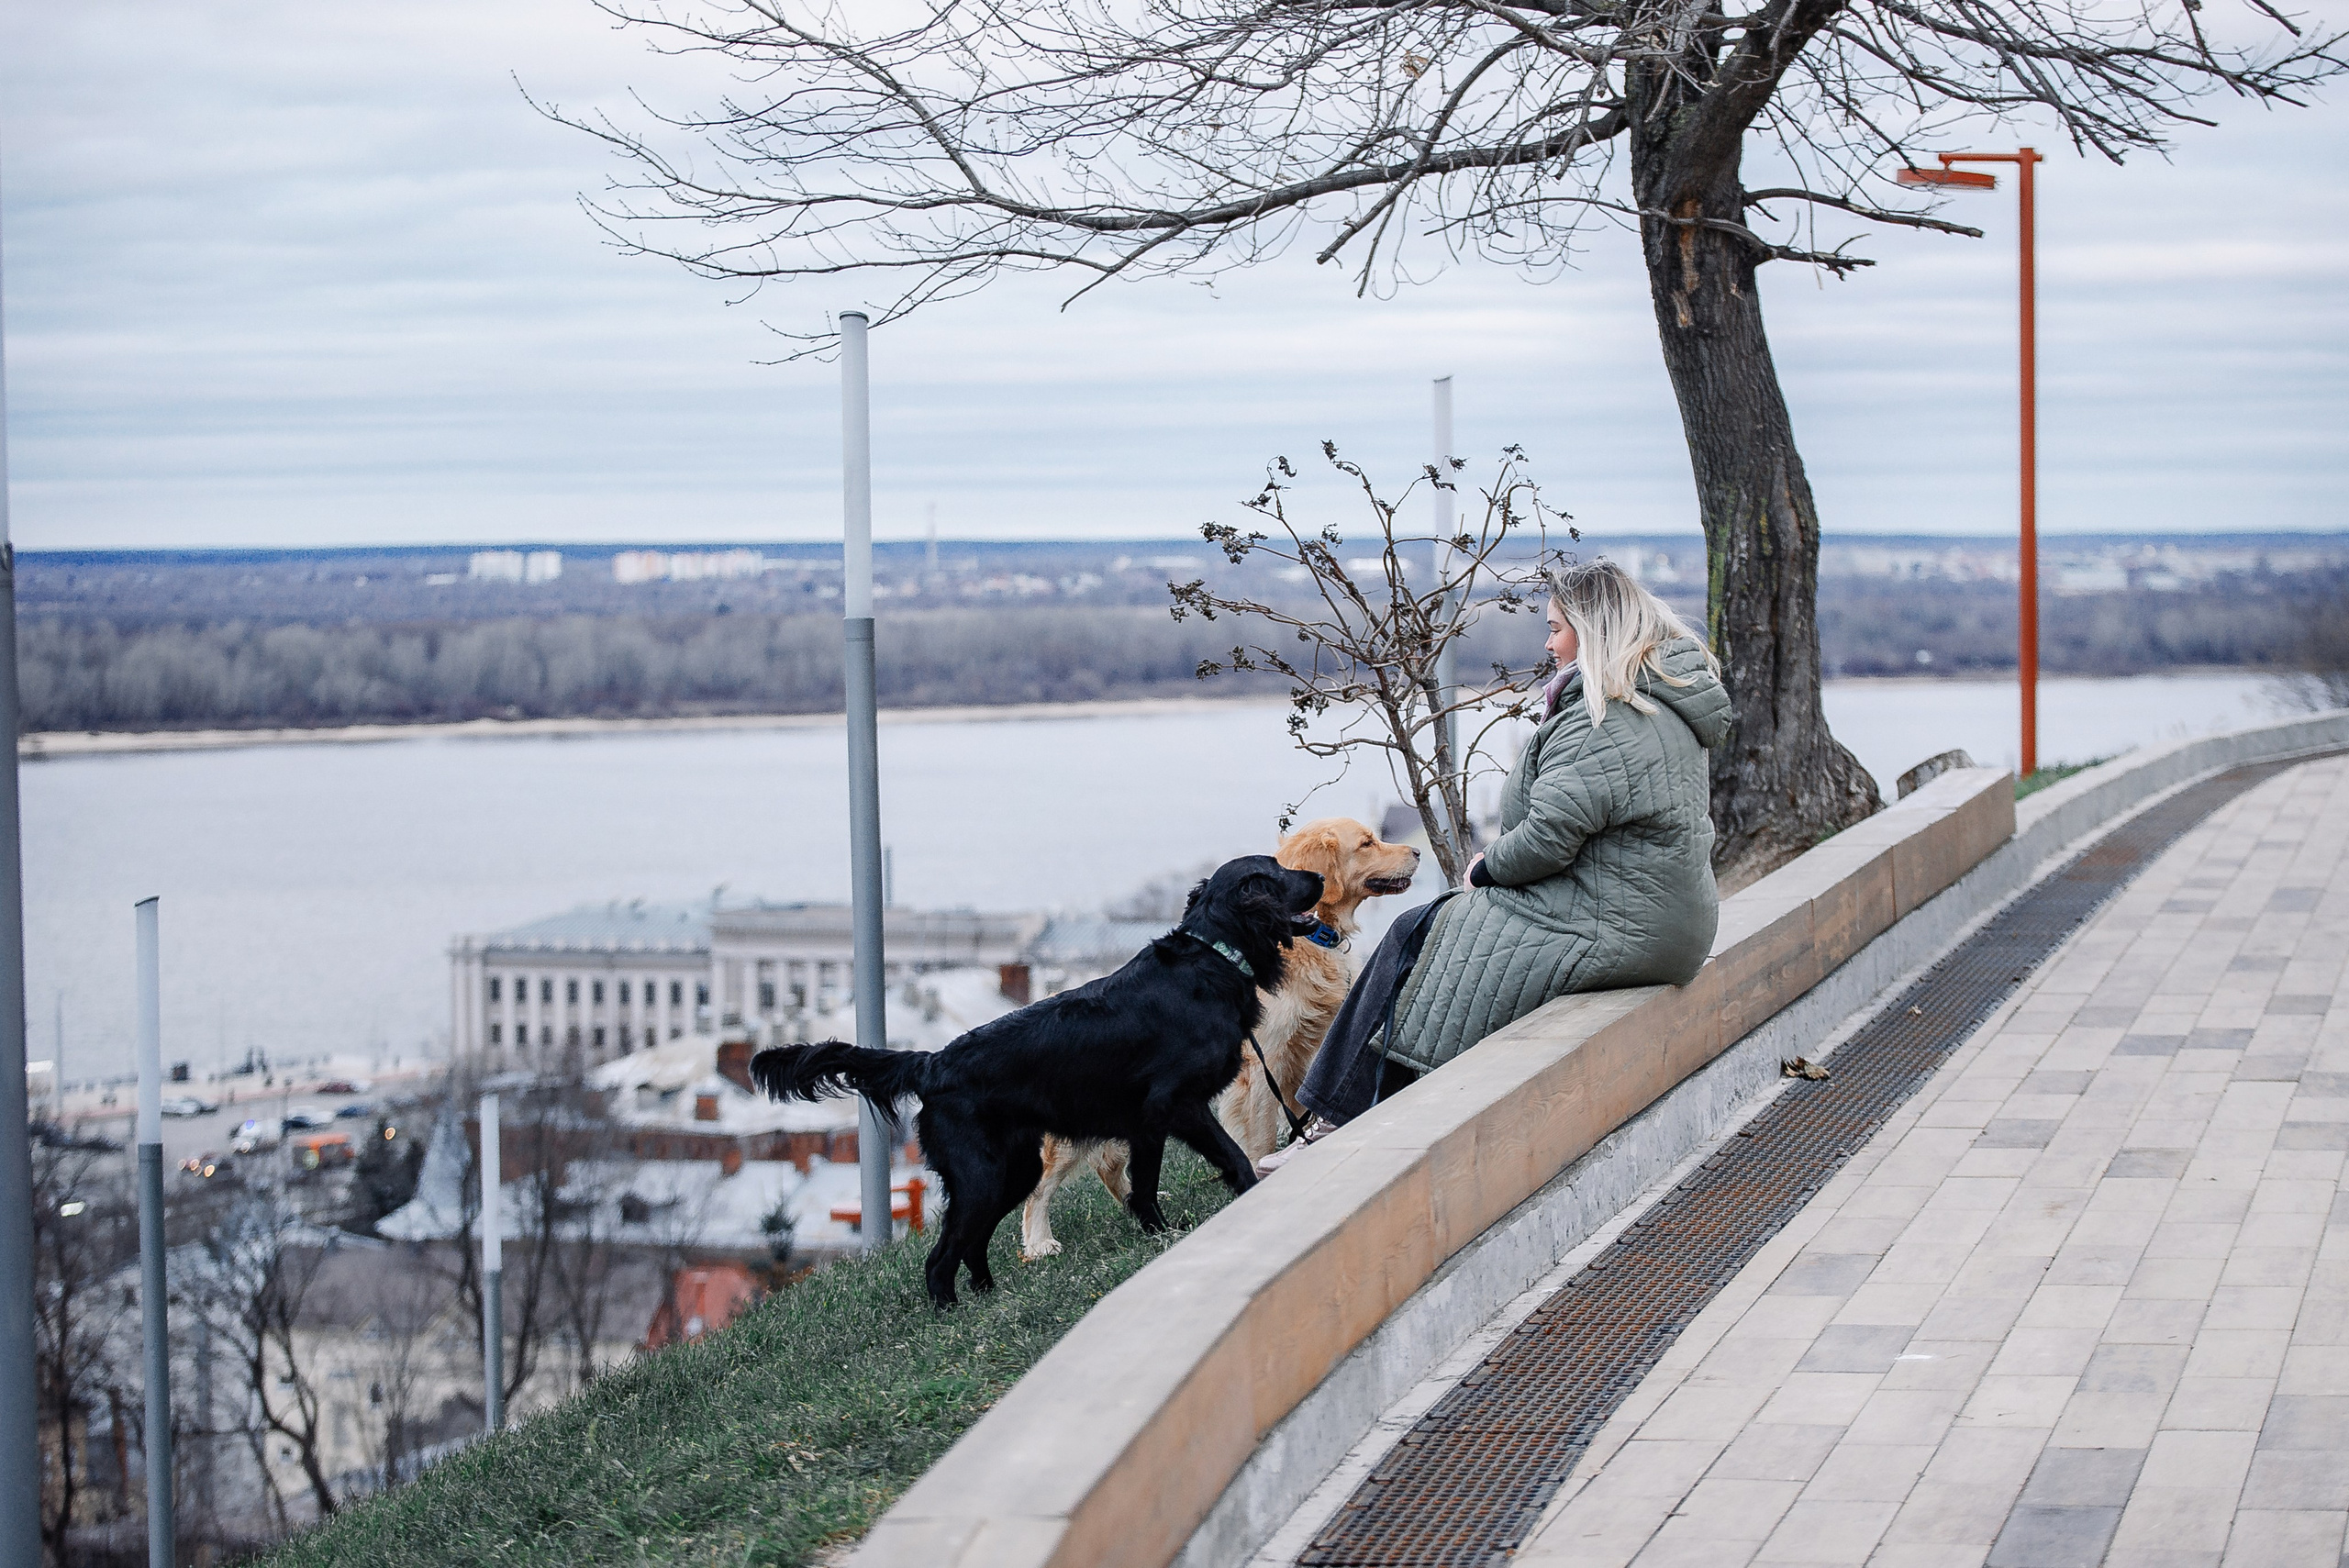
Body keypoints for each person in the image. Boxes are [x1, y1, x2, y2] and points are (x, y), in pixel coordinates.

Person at [1267, 559, 1730, 1170]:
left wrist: (1486, 867)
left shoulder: (1606, 717)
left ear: (1591, 631)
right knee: (1444, 941)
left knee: (1419, 934)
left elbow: (1548, 836)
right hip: (1653, 916)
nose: (1548, 641)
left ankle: (1331, 1119)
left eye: (1557, 626)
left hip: (1615, 924)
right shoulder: (1657, 701)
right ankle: (1348, 1111)